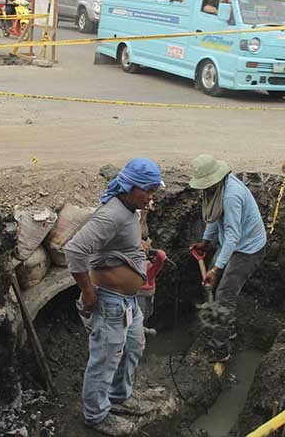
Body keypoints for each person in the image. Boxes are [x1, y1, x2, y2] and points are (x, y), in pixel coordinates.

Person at [64, 159, 164, 436]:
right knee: (105, 359)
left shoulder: (131, 209)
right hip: (108, 301)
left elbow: (131, 238)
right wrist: (87, 291)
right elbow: (75, 251)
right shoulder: (111, 215)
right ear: (131, 187)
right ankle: (95, 415)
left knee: (133, 345)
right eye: (149, 190)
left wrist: (143, 220)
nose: (152, 196)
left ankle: (120, 396)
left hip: (128, 302)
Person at [188, 155, 266, 363]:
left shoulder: (231, 195)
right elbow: (215, 216)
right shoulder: (216, 190)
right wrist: (205, 241)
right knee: (214, 283)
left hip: (248, 249)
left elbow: (233, 236)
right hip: (233, 244)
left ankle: (220, 350)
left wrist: (215, 270)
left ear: (215, 179)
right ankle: (227, 330)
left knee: (224, 295)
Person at [135, 202, 165, 337]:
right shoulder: (150, 269)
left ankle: (140, 330)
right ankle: (140, 331)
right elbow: (161, 256)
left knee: (142, 315)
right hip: (139, 294)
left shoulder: (143, 267)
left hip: (141, 292)